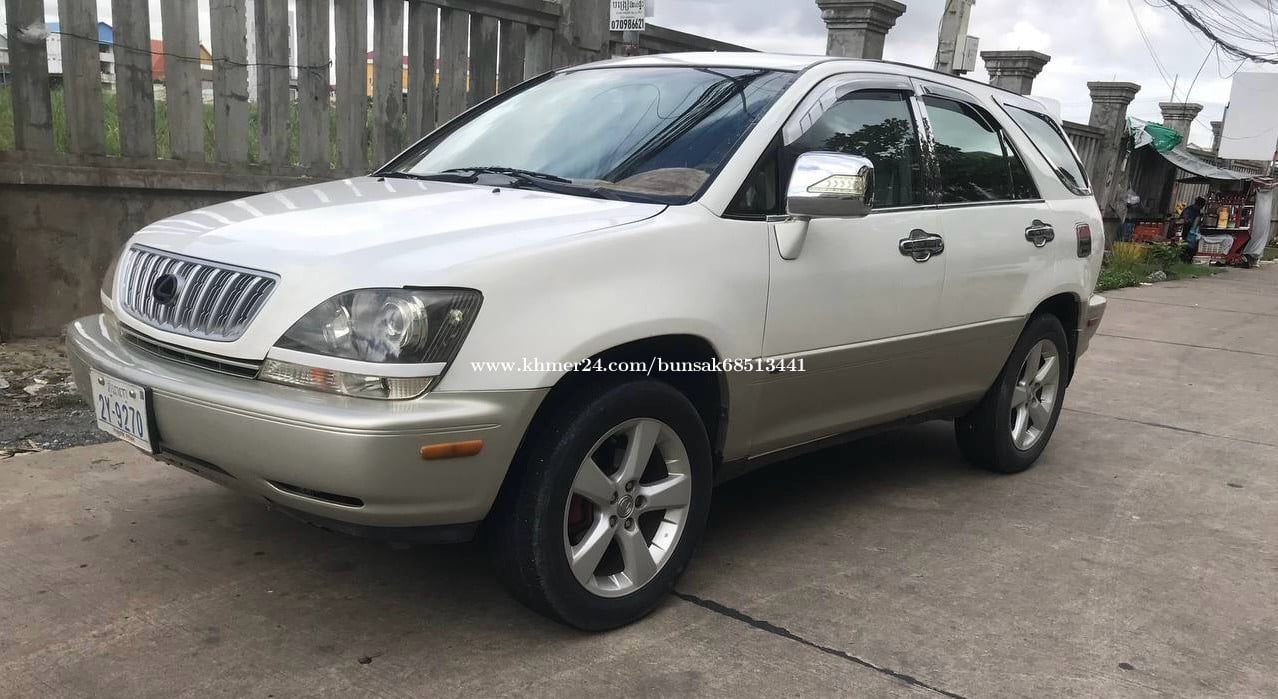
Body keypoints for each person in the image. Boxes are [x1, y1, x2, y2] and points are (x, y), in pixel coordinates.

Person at [1180, 196, 1207, 262]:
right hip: (1187, 230)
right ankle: (1184, 259)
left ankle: (1188, 259)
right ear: (1199, 205)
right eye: (1201, 207)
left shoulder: (1197, 211)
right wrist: (1192, 221)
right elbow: (1184, 220)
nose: (1201, 208)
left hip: (1192, 231)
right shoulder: (1189, 210)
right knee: (1187, 246)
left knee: (1191, 247)